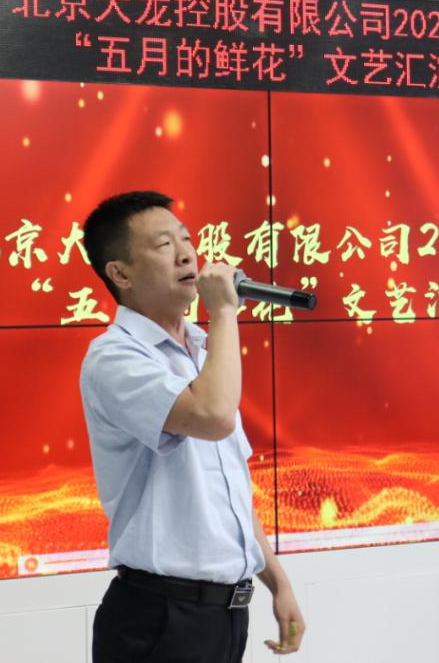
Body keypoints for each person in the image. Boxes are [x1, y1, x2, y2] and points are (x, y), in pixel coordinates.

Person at [79, 190, 306, 662]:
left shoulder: (202, 352)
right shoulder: (114, 357)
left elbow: (229, 492)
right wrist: (223, 312)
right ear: (120, 274)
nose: (187, 255)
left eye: (186, 239)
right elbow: (213, 417)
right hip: (159, 616)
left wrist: (278, 583)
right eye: (164, 245)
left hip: (224, 615)